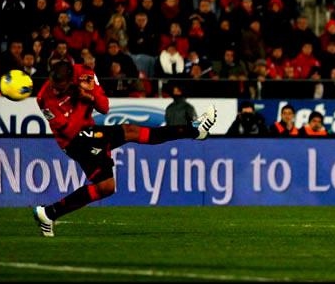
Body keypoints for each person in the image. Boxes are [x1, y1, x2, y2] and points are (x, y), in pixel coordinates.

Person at [33, 61, 217, 237]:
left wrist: (91, 96)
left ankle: (49, 213)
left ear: (72, 79)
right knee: (131, 132)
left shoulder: (85, 73)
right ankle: (194, 130)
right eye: (54, 86)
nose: (55, 90)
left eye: (60, 88)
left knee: (106, 187)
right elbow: (68, 130)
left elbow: (104, 107)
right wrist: (81, 98)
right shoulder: (44, 98)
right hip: (73, 141)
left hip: (90, 132)